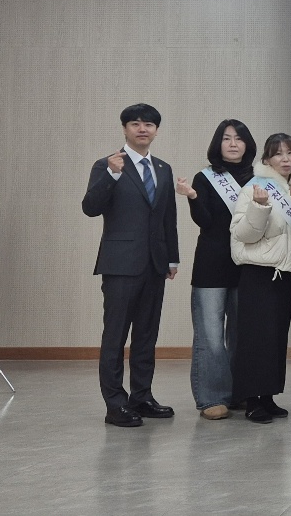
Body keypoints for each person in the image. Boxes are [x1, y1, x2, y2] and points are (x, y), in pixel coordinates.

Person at [81, 103, 180, 427]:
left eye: (149, 124)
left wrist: (172, 258)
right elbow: (90, 207)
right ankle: (115, 404)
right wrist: (111, 174)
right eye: (135, 123)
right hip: (120, 263)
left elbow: (168, 217)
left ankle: (142, 396)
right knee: (115, 336)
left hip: (154, 264)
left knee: (146, 336)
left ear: (156, 130)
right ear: (124, 128)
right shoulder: (108, 164)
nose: (142, 129)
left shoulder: (163, 169)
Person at [174, 118, 256, 421]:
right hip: (211, 264)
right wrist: (194, 198)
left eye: (238, 138)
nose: (232, 143)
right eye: (226, 138)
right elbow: (206, 223)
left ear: (247, 144)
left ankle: (238, 393)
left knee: (241, 334)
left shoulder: (259, 178)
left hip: (248, 265)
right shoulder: (206, 177)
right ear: (217, 144)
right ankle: (212, 397)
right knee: (210, 335)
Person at [228, 133, 291, 423]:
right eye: (278, 154)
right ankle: (251, 400)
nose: (285, 159)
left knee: (275, 339)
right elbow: (243, 234)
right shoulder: (255, 188)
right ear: (266, 160)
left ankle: (268, 395)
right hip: (259, 271)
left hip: (285, 273)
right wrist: (260, 207)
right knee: (255, 339)